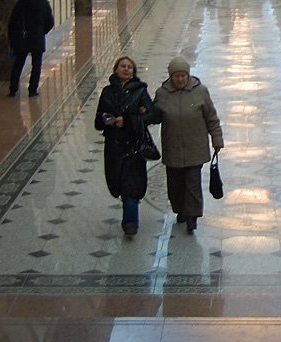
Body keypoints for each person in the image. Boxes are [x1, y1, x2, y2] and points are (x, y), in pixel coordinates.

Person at [153, 56, 224, 233]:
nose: (180, 79)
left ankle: (192, 217)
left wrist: (217, 138)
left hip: (195, 147)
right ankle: (180, 210)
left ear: (188, 75)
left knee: (193, 184)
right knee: (175, 184)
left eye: (183, 75)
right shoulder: (162, 94)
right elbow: (155, 116)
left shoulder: (200, 92)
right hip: (173, 147)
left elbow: (211, 118)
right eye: (176, 76)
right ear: (171, 76)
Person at [94, 56, 161, 236]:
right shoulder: (107, 91)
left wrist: (129, 120)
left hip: (134, 145)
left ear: (133, 72)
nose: (126, 69)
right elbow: (98, 120)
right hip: (114, 145)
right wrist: (106, 119)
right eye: (123, 66)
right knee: (118, 180)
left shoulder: (140, 91)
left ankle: (130, 222)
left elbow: (152, 115)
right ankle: (129, 212)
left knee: (132, 182)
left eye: (129, 67)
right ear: (116, 69)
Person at [8, 0, 55, 97]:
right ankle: (32, 89)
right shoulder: (44, 4)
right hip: (37, 39)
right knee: (36, 65)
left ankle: (13, 89)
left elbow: (12, 22)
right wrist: (41, 32)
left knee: (18, 64)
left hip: (23, 39)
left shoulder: (21, 4)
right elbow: (50, 22)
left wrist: (14, 37)